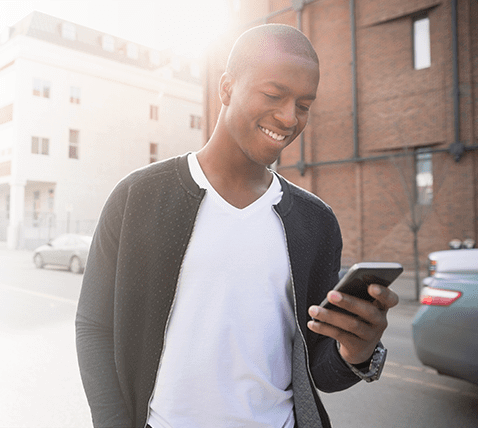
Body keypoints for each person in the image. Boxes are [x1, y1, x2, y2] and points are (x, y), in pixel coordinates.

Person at [75, 24, 399, 428]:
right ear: (226, 88)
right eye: (274, 95)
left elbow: (319, 373)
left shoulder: (316, 223)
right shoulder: (137, 197)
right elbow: (93, 327)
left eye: (303, 104)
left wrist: (357, 352)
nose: (288, 117)